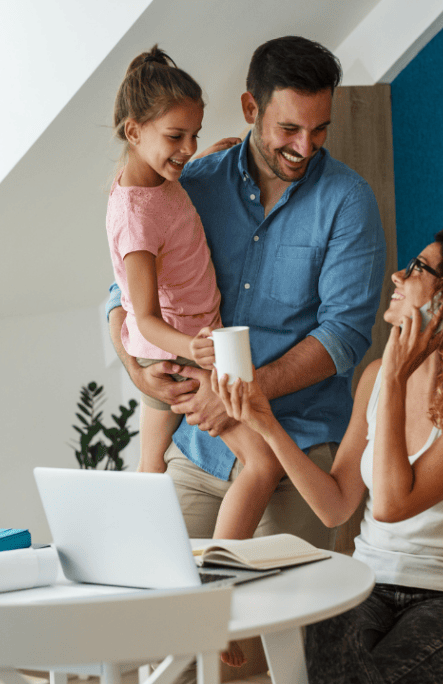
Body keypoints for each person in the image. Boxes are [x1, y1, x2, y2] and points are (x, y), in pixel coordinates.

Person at [216, 225, 443, 684]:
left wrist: (395, 374)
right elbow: (335, 507)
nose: (396, 275)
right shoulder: (375, 378)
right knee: (304, 659)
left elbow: (391, 506)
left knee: (352, 680)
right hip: (367, 585)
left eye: (416, 268)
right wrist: (264, 421)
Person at [106, 36, 386, 551]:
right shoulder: (193, 183)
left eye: (319, 128)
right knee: (162, 600)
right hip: (199, 444)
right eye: (288, 128)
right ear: (250, 108)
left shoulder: (348, 202)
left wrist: (242, 392)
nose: (306, 147)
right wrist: (137, 369)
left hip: (297, 443)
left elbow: (344, 336)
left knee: (268, 620)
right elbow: (123, 292)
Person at [106, 46, 286, 546]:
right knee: (263, 462)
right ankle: (222, 568)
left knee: (150, 470)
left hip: (178, 348)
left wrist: (202, 159)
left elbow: (169, 208)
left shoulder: (158, 182)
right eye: (175, 137)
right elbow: (140, 317)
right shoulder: (136, 219)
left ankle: (141, 563)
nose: (186, 148)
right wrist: (195, 355)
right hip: (179, 352)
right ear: (134, 131)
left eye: (194, 135)